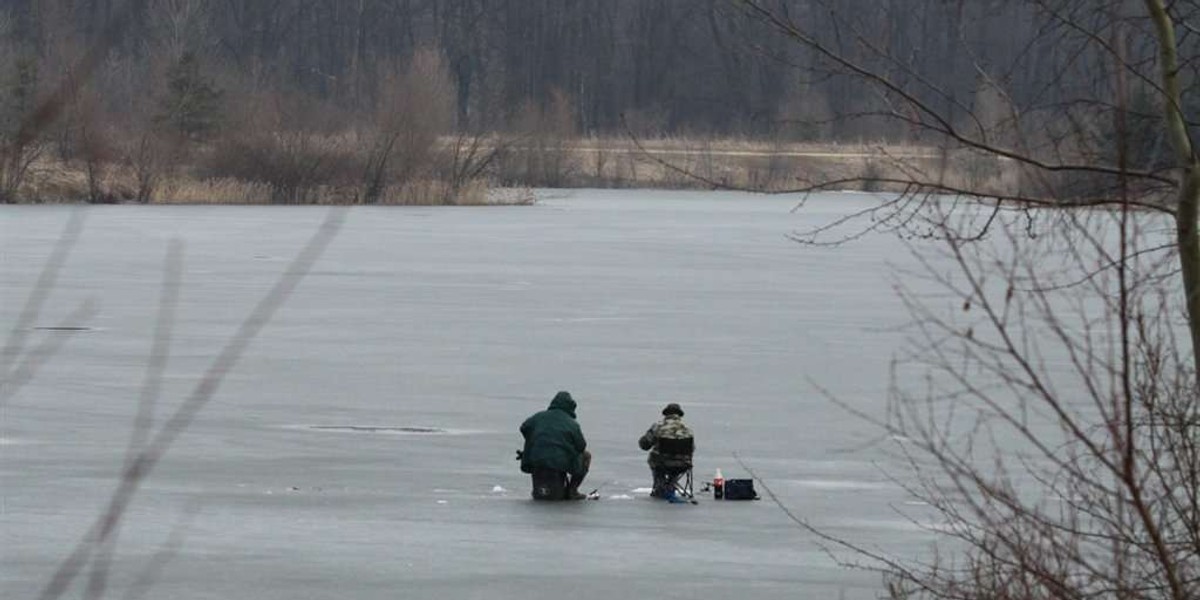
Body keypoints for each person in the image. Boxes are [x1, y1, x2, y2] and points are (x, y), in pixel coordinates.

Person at [518, 391, 591, 500]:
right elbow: (581, 446)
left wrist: (533, 442)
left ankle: (540, 490)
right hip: (559, 462)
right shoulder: (571, 424)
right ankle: (572, 491)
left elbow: (524, 427)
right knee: (586, 456)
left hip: (537, 459)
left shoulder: (538, 417)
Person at [638, 403, 694, 499]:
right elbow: (692, 449)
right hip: (683, 464)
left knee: (654, 457)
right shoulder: (687, 430)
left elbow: (644, 445)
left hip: (662, 463)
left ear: (666, 414)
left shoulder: (658, 427)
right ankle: (671, 483)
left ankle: (660, 485)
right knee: (676, 461)